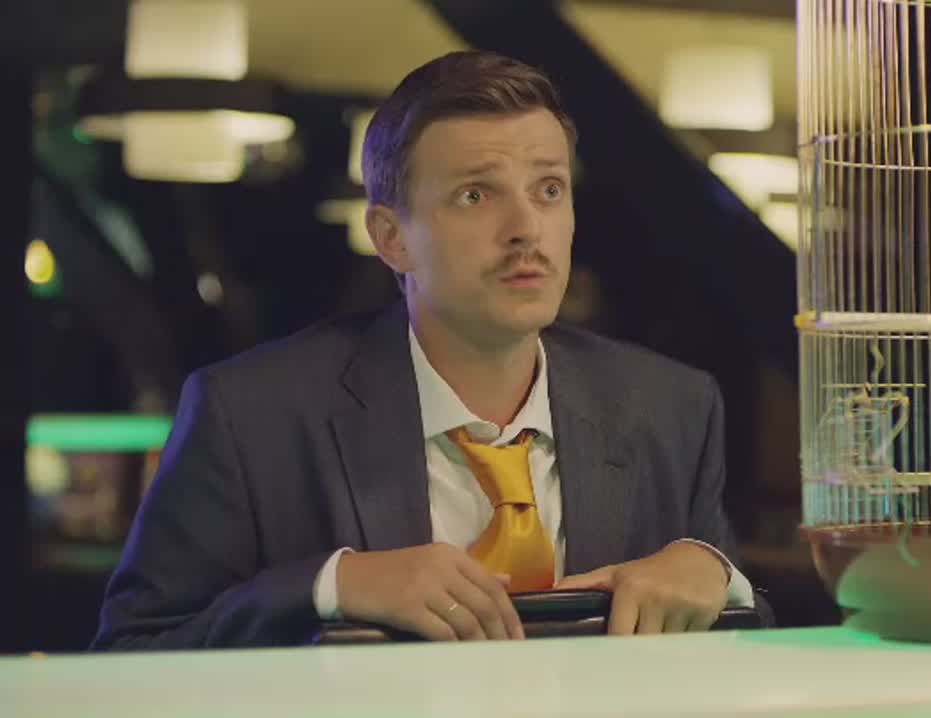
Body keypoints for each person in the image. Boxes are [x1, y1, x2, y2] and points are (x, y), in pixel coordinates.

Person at [92, 49, 756, 649]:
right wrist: (333, 587)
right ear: (391, 238)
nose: (527, 228)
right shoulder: (251, 413)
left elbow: (751, 648)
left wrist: (718, 578)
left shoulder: (670, 406)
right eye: (476, 194)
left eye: (549, 189)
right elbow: (132, 652)